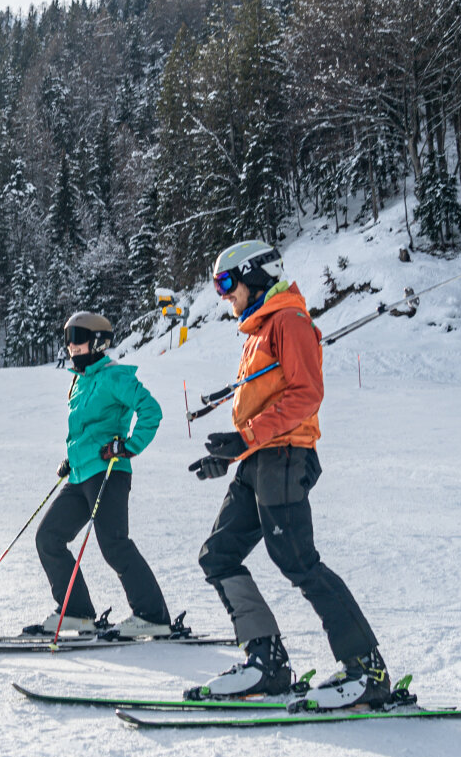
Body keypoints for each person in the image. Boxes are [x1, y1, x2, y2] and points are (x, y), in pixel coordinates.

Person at [187, 241, 389, 709]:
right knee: (218, 555)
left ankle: (367, 670)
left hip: (285, 457)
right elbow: (264, 403)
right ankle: (267, 663)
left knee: (298, 561)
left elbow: (305, 395)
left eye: (226, 282)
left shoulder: (290, 321)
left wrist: (247, 438)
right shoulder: (260, 329)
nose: (223, 295)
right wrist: (233, 452)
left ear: (254, 274)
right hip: (260, 460)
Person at [32, 311, 174, 638]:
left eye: (78, 338)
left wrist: (129, 446)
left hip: (109, 473)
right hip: (81, 475)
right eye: (67, 339)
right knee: (49, 538)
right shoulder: (80, 382)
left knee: (114, 545)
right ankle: (77, 612)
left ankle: (153, 616)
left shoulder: (114, 376)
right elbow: (86, 431)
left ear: (98, 341)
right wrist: (72, 459)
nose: (72, 346)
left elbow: (151, 410)